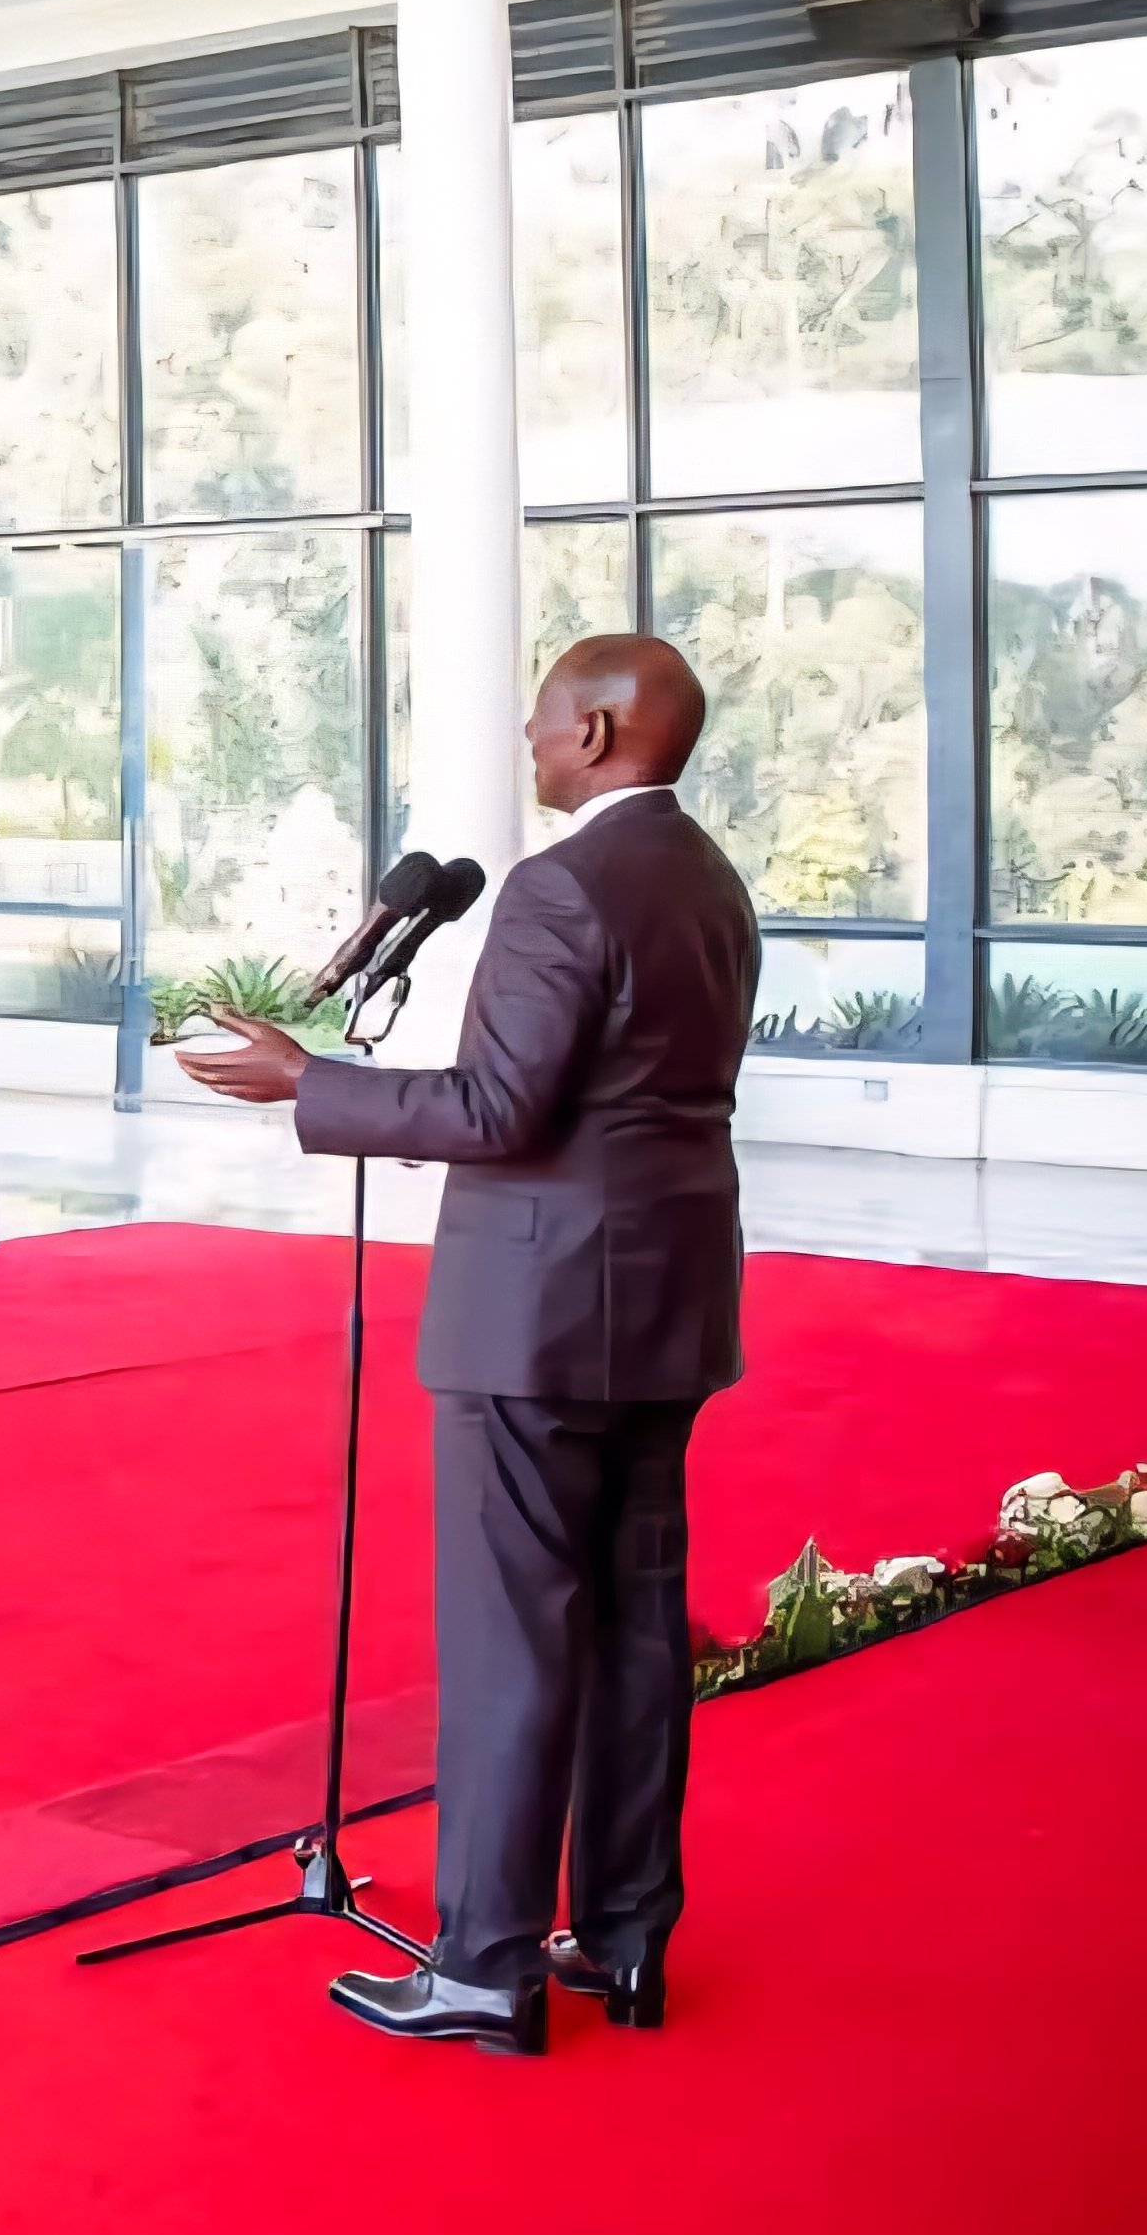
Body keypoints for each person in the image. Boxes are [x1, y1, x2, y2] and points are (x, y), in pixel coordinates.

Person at [179, 635, 757, 2056]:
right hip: (670, 1301)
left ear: (606, 730)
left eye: (547, 717)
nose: (527, 734)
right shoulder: (710, 880)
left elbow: (501, 1110)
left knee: (514, 1644)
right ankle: (621, 1940)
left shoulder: (565, 887)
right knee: (633, 1631)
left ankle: (485, 1965)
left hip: (540, 1316)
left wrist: (314, 1085)